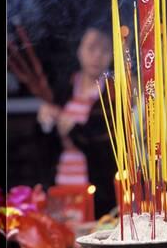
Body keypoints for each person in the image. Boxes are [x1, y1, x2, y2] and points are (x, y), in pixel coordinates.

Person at [37, 27, 116, 219]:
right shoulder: (65, 88)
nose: (97, 55)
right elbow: (44, 147)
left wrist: (74, 130)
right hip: (60, 188)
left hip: (96, 193)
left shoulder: (114, 93)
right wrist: (45, 122)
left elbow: (106, 145)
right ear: (79, 50)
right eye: (91, 48)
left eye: (104, 50)